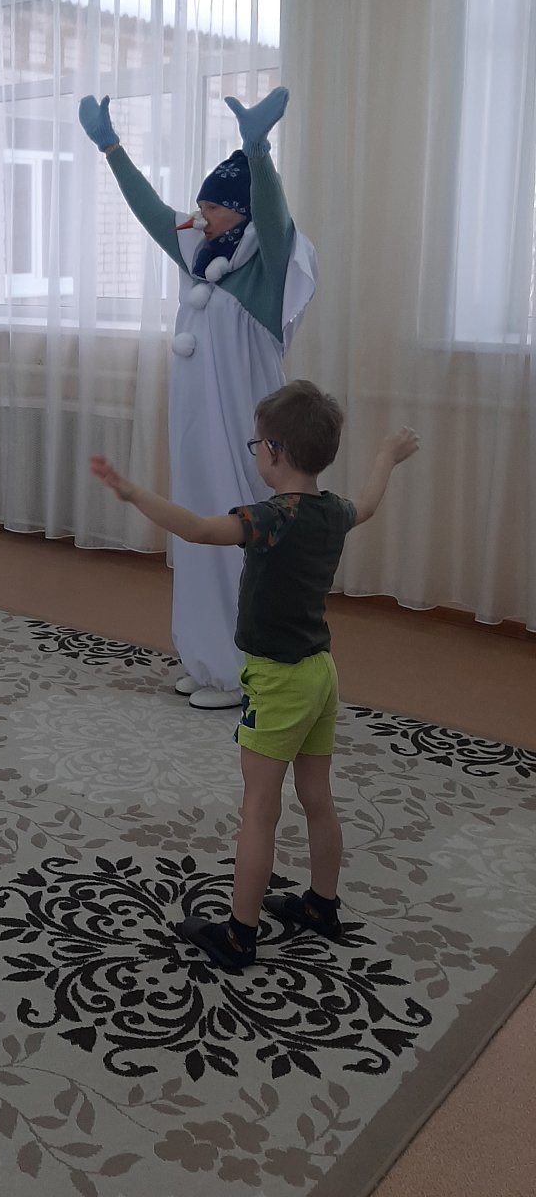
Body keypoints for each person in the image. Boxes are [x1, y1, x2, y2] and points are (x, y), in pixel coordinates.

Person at [91, 379, 419, 971]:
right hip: (321, 673)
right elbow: (369, 503)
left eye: (256, 445)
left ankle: (240, 935)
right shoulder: (333, 512)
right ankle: (322, 905)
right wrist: (385, 455)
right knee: (316, 797)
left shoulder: (273, 518)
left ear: (275, 451)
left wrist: (133, 491)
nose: (255, 454)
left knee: (259, 809)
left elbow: (196, 530)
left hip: (278, 680)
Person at [79, 86, 317, 709]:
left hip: (245, 434)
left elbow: (274, 220)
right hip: (195, 431)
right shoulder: (198, 257)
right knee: (194, 539)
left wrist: (257, 153)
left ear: (238, 213)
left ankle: (243, 672)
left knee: (239, 543)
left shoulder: (268, 270)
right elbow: (151, 211)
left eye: (213, 206)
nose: (200, 214)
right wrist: (111, 148)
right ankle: (205, 658)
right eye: (201, 203)